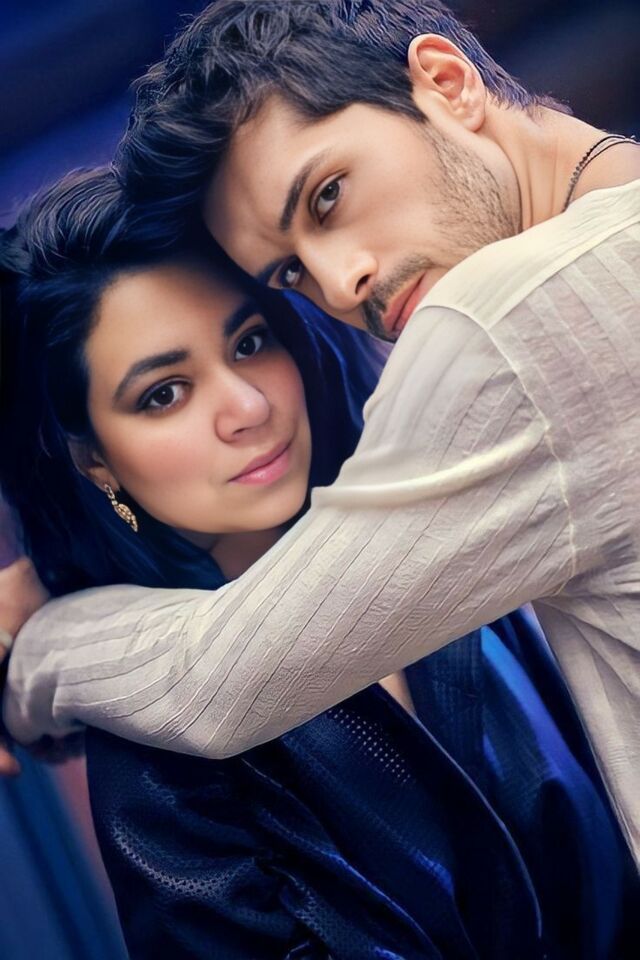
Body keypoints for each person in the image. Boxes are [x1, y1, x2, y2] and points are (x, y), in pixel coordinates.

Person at [2, 0, 640, 867]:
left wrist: (33, 649)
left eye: (329, 196)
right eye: (290, 271)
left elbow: (215, 683)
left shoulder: (506, 322)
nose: (343, 285)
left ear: (446, 82)